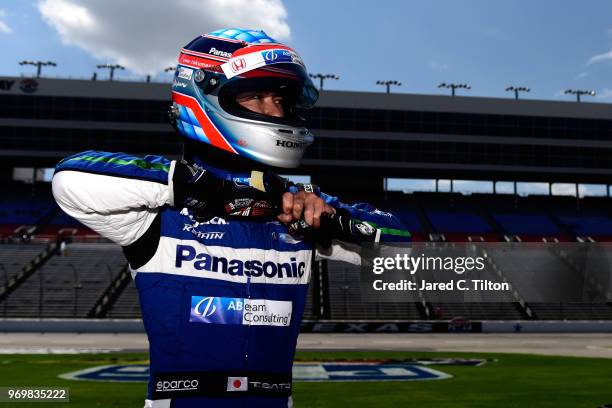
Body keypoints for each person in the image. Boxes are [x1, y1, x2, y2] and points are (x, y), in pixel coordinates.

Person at [52, 28, 410, 408]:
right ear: (202, 96)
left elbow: (401, 251)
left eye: (280, 99)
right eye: (256, 96)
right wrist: (206, 190)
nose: (275, 111)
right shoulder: (157, 211)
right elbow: (69, 178)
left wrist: (331, 219)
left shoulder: (297, 204)